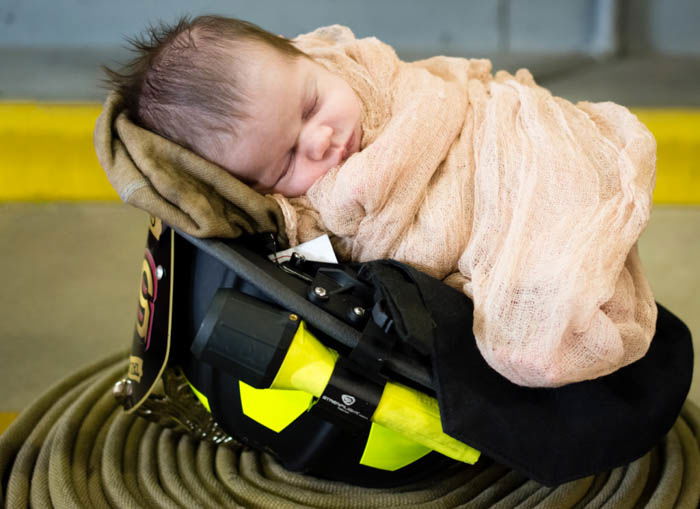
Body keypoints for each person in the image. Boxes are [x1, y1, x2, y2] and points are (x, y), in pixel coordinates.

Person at [105, 15, 658, 389]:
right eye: (286, 162)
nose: (321, 140)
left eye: (311, 104)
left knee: (553, 177)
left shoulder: (362, 69)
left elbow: (441, 98)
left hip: (491, 140)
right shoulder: (304, 216)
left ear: (310, 58)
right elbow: (351, 248)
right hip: (456, 216)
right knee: (528, 328)